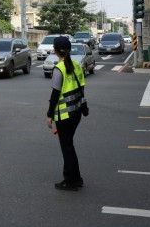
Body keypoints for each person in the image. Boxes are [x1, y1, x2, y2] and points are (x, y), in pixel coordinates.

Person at [46, 36, 89, 191]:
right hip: (76, 113)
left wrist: (49, 115)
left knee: (67, 148)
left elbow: (55, 95)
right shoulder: (76, 66)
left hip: (64, 116)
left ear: (56, 50)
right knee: (69, 146)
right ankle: (75, 177)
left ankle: (71, 180)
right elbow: (81, 88)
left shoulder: (59, 69)